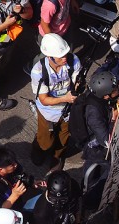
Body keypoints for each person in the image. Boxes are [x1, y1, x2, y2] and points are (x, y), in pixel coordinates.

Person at [29, 33, 80, 169]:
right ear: (49, 57)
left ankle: (57, 156)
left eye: (66, 54)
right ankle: (38, 147)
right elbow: (44, 100)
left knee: (64, 138)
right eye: (61, 56)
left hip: (68, 111)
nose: (65, 58)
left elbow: (76, 82)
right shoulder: (38, 71)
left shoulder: (73, 61)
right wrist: (65, 98)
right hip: (48, 112)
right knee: (45, 140)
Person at [77, 72, 118, 180]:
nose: (117, 89)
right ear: (105, 95)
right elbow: (106, 141)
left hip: (99, 138)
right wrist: (114, 119)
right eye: (114, 90)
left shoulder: (98, 97)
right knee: (105, 168)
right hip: (95, 148)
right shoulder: (94, 113)